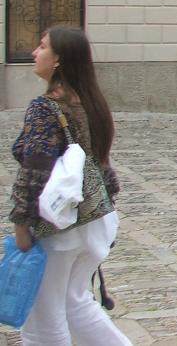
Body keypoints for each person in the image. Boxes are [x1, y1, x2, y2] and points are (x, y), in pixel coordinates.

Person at [9, 26, 132, 346]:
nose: (34, 53)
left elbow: (35, 170)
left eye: (42, 46)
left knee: (42, 319)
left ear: (59, 59)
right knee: (75, 303)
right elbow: (103, 166)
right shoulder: (92, 103)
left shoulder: (45, 107)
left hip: (59, 224)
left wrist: (21, 223)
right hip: (95, 221)